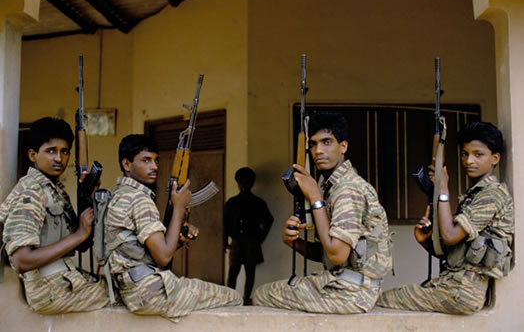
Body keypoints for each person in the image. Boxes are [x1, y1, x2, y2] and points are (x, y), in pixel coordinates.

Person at [253, 112, 392, 313]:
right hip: (345, 285)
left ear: (343, 146)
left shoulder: (347, 189)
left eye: (327, 142)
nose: (318, 150)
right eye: (313, 144)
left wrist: (315, 198)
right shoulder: (332, 187)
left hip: (351, 293)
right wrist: (295, 243)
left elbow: (337, 254)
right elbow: (329, 253)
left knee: (262, 294)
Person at [377, 121, 514, 314]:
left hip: (463, 292)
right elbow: (453, 254)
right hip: (454, 286)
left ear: (495, 158)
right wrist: (425, 241)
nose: (469, 161)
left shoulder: (492, 195)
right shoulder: (475, 195)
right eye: (465, 154)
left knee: (383, 300)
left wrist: (442, 189)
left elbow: (450, 236)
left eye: (478, 154)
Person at [104, 134, 242, 322]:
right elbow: (163, 257)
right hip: (149, 292)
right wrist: (179, 207)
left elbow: (142, 251)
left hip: (133, 288)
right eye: (146, 160)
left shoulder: (120, 195)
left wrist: (178, 238)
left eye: (156, 160)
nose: (154, 167)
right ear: (127, 164)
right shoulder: (140, 200)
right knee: (233, 297)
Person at [0, 117, 110, 314]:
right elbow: (21, 261)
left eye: (64, 151)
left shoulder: (54, 190)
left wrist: (90, 198)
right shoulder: (31, 192)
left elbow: (82, 244)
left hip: (62, 279)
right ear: (33, 155)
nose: (59, 159)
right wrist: (79, 235)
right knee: (122, 294)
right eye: (51, 151)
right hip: (47, 290)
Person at [225, 167, 273, 306]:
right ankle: (241, 299)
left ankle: (233, 298)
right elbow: (269, 220)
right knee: (243, 271)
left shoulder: (233, 202)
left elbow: (225, 224)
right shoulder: (254, 202)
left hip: (243, 241)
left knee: (236, 272)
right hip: (244, 241)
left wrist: (260, 238)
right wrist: (260, 238)